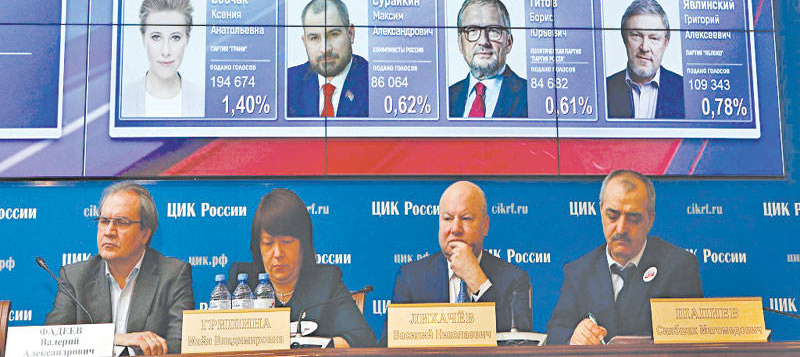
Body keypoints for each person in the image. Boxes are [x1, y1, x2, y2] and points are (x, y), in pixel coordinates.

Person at [546, 170, 702, 344]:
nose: (621, 229)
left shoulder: (678, 266)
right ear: (601, 212)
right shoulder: (578, 272)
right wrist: (574, 338)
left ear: (650, 219)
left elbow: (689, 340)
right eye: (612, 216)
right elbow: (555, 334)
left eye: (633, 218)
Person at [45, 182, 194, 355]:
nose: (109, 231)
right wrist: (118, 339)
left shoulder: (173, 275)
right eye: (104, 221)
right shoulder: (75, 277)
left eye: (121, 223)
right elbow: (53, 342)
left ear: (145, 234)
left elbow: (179, 346)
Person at [382, 181, 532, 344]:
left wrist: (478, 282)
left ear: (485, 226)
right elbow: (390, 346)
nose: (455, 229)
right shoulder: (411, 278)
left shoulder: (514, 279)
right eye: (447, 218)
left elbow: (518, 346)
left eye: (466, 218)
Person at [227, 189, 376, 347]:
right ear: (258, 246)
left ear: (303, 244)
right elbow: (216, 339)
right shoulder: (241, 281)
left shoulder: (326, 282)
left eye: (287, 242)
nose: (278, 253)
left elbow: (363, 340)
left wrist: (309, 347)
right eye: (268, 243)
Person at [122, 0, 204, 118]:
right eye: (156, 37)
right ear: (143, 38)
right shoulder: (122, 101)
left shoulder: (203, 101)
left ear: (187, 39)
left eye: (175, 37)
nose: (166, 51)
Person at [287, 0, 368, 117]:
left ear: (350, 34)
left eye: (334, 34)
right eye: (314, 38)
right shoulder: (287, 83)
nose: (325, 49)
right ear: (305, 42)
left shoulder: (374, 82)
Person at [449, 0, 527, 118]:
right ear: (460, 43)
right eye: (472, 31)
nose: (483, 41)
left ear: (509, 42)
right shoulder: (447, 97)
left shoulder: (530, 95)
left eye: (493, 31)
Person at [606, 0, 684, 119]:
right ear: (624, 38)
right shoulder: (604, 89)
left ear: (666, 43)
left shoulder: (685, 91)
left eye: (654, 38)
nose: (645, 47)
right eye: (636, 35)